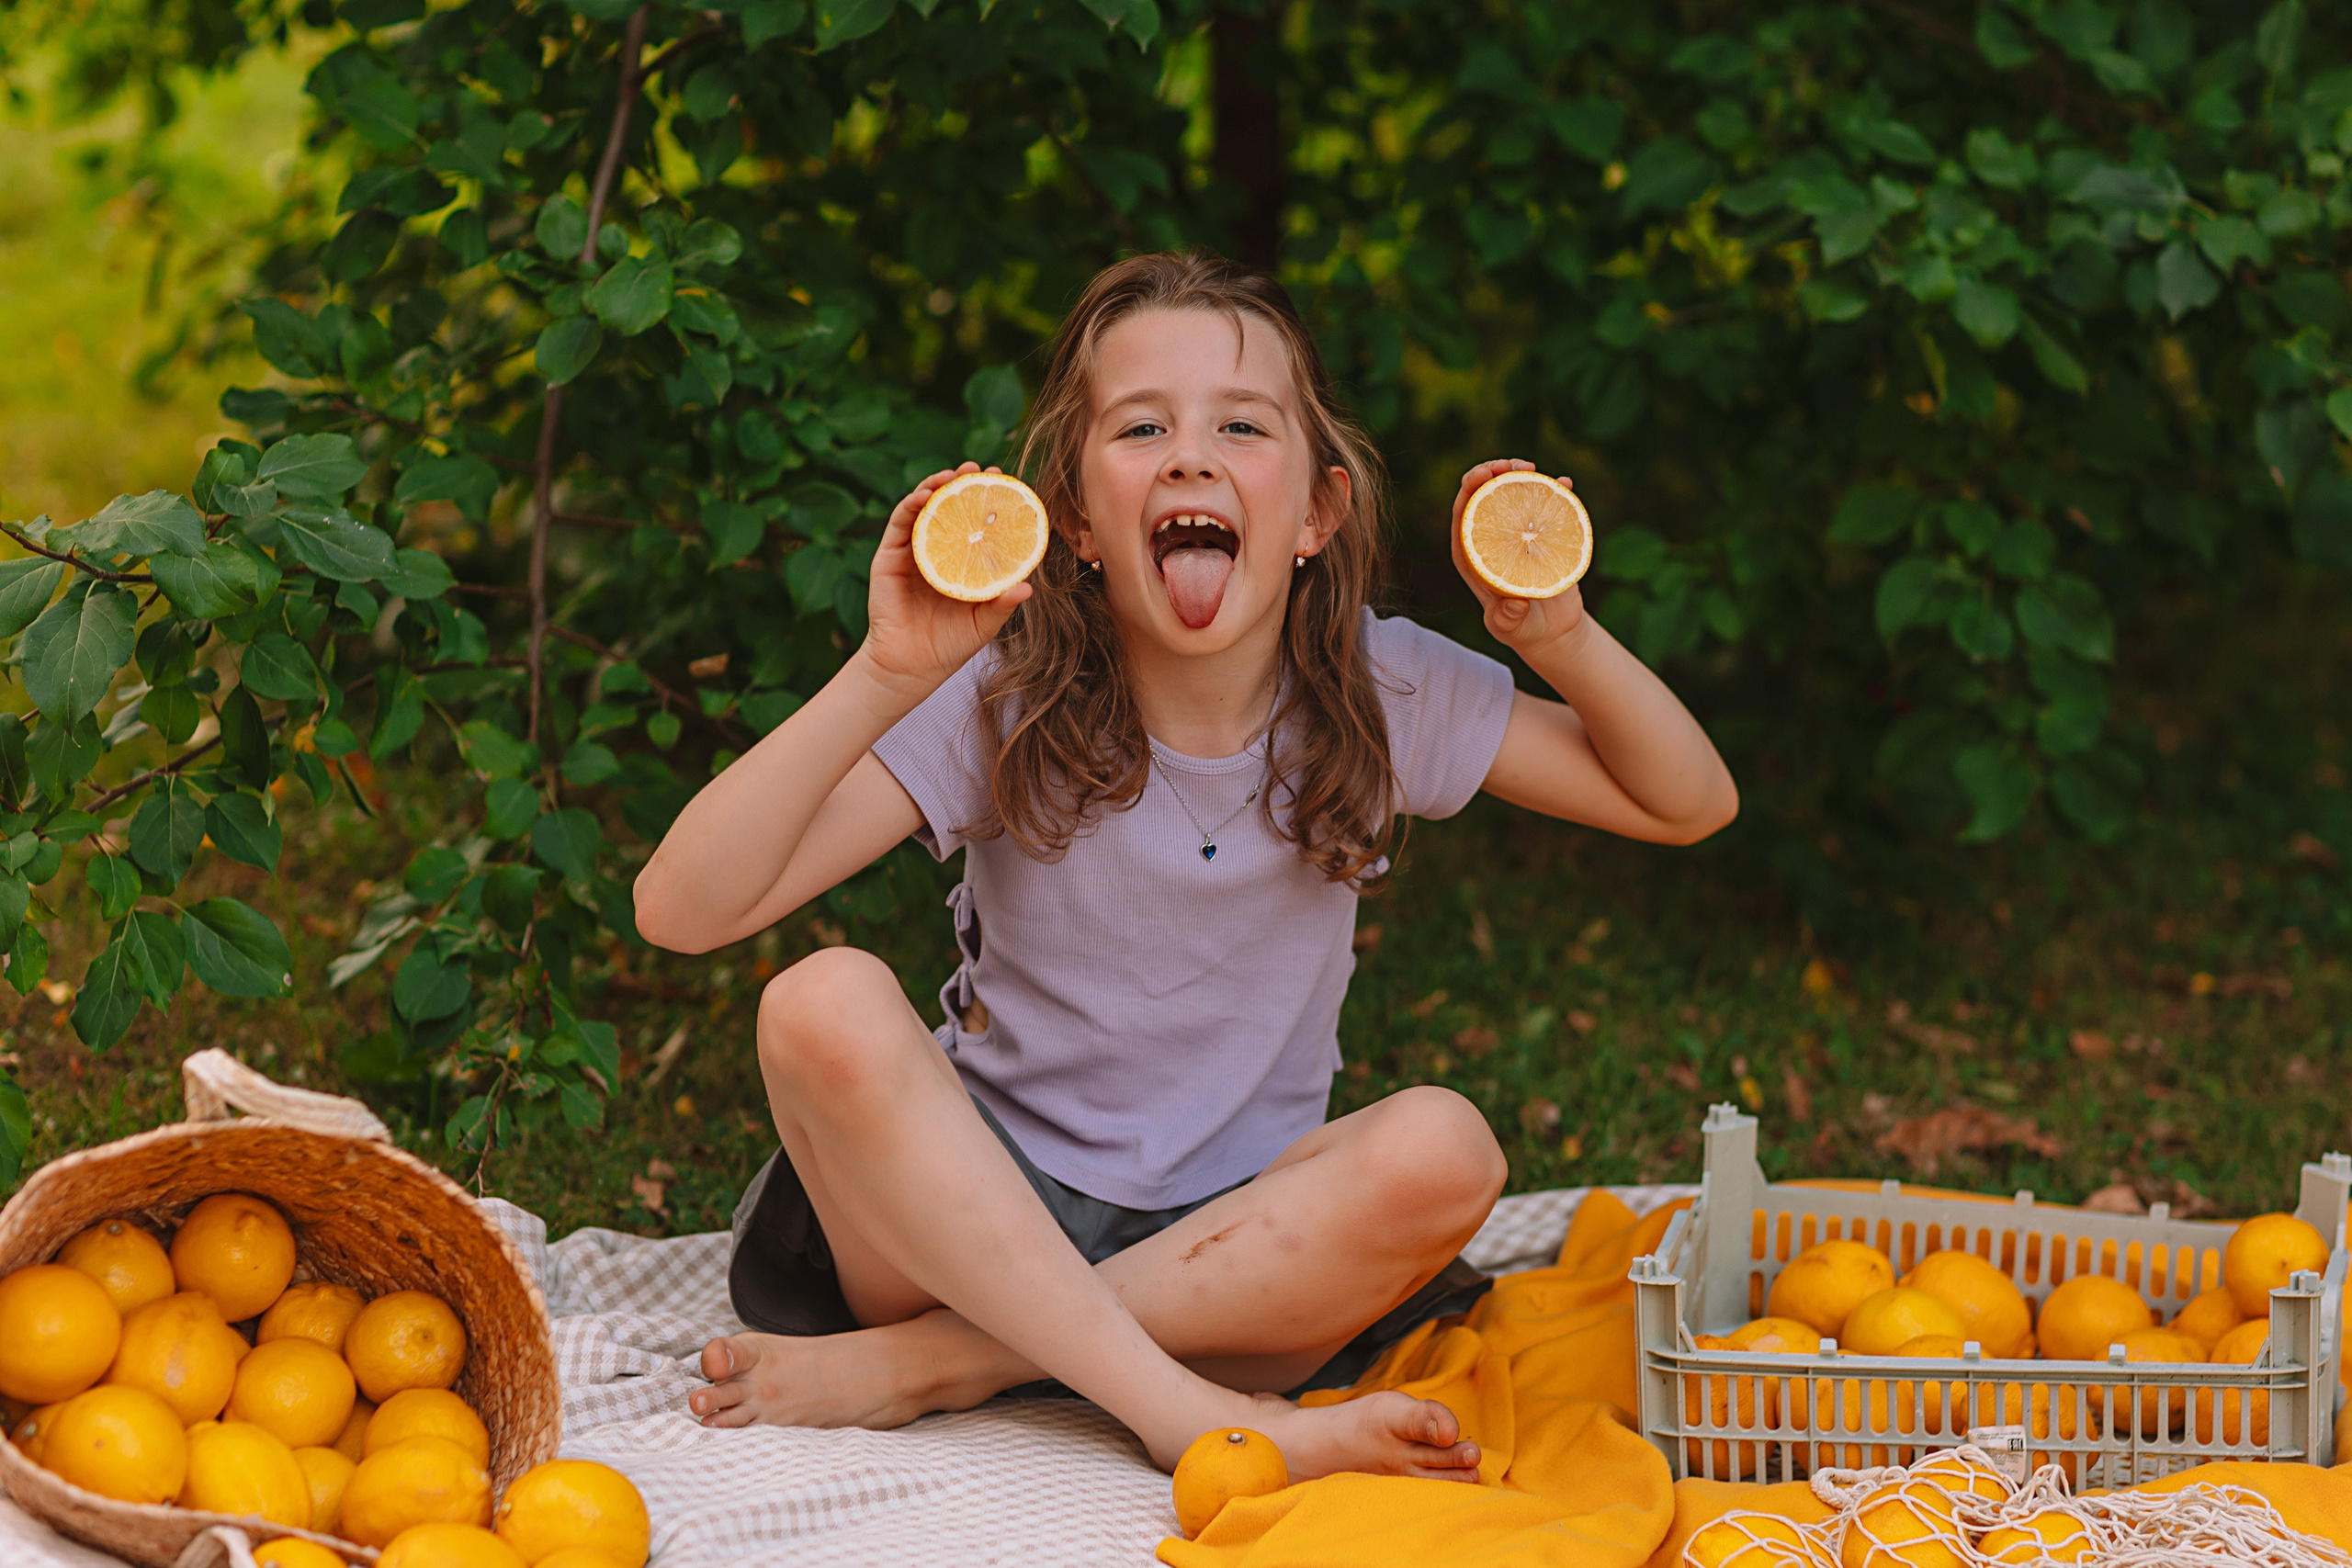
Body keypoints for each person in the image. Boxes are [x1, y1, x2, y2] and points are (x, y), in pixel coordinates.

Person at [632, 250, 1736, 1481]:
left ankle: (940, 1368)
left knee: (1449, 1148)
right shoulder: (1002, 692)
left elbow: (1686, 802)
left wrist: (1561, 634)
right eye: (1142, 426)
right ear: (1076, 519)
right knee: (817, 1002)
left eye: (1242, 426)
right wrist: (889, 672)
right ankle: (1175, 1410)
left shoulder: (1385, 687)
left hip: (1234, 1257)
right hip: (964, 1224)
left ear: (1317, 514)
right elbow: (682, 909)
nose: (1190, 458)